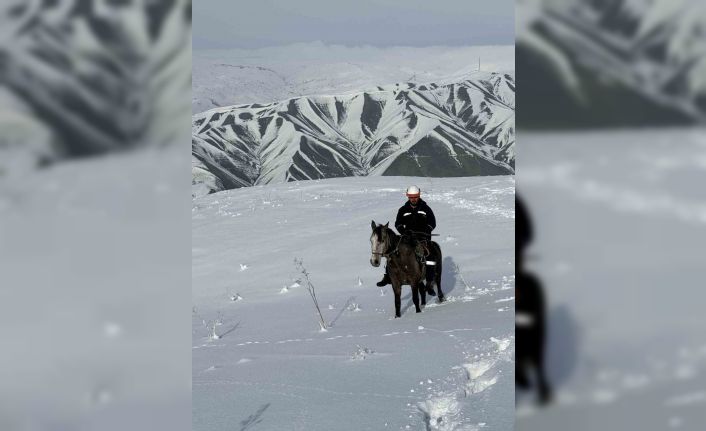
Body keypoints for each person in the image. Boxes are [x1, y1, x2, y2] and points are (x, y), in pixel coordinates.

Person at [376, 185, 437, 287]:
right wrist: (403, 231)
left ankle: (430, 281)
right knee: (392, 252)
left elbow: (432, 222)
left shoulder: (426, 209)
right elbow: (398, 223)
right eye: (411, 197)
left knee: (429, 256)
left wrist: (426, 230)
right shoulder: (403, 210)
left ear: (419, 195)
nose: (413, 199)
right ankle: (387, 276)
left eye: (415, 197)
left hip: (422, 238)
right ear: (408, 196)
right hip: (407, 238)